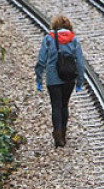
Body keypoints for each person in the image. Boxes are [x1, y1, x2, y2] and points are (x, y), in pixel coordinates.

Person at [34, 14, 85, 148]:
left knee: (56, 105)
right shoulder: (74, 39)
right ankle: (63, 132)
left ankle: (57, 135)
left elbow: (41, 60)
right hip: (69, 78)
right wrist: (80, 81)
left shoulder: (48, 39)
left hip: (53, 78)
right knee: (64, 104)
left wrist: (39, 78)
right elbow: (80, 62)